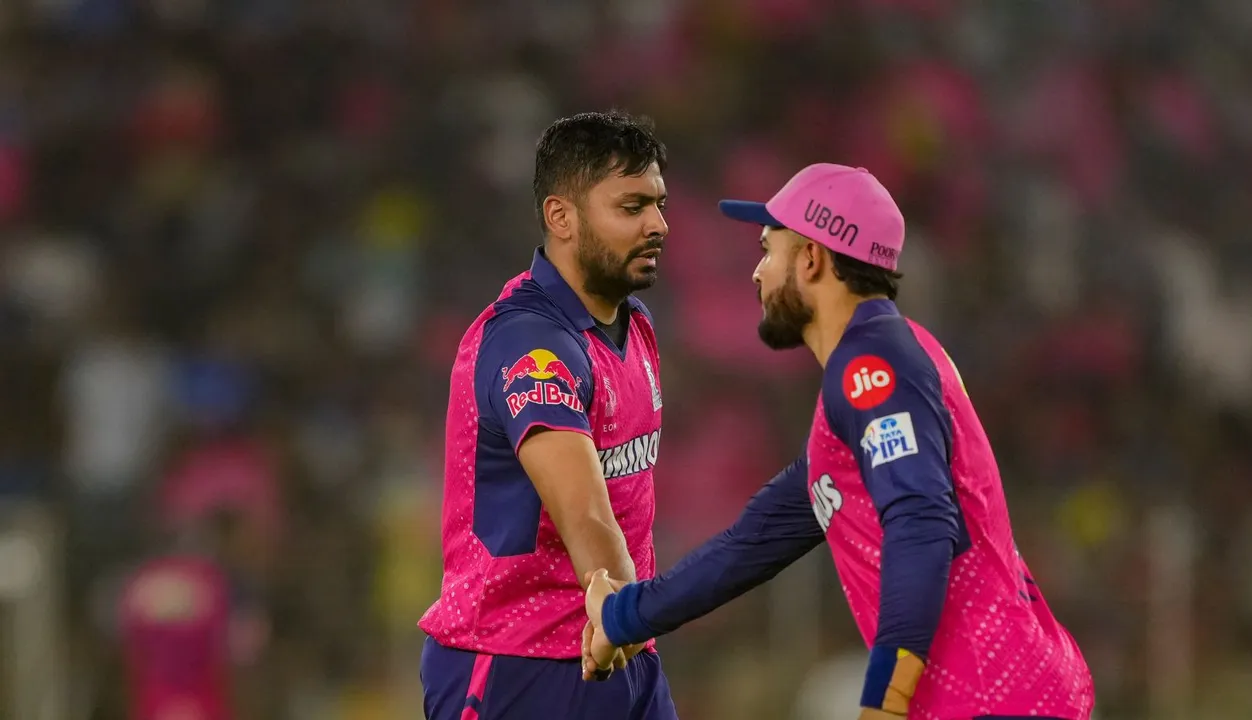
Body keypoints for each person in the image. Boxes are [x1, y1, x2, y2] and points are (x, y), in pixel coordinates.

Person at [581, 164, 1095, 720]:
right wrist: (623, 617)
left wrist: (883, 703)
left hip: (988, 698)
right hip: (1001, 691)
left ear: (811, 258)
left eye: (768, 249)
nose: (757, 272)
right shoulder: (873, 372)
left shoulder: (873, 366)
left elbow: (921, 524)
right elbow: (754, 542)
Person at [417, 111, 678, 720]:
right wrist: (626, 613)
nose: (659, 225)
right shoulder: (531, 346)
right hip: (517, 665)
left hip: (622, 649)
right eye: (631, 206)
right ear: (561, 217)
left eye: (659, 205)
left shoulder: (634, 324)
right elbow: (584, 513)